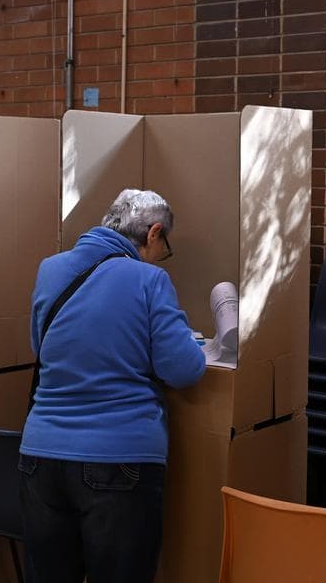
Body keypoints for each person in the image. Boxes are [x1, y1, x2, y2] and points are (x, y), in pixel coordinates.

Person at [19, 189, 207, 583]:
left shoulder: (49, 269)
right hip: (120, 457)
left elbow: (42, 348)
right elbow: (184, 370)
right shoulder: (150, 279)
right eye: (164, 246)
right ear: (153, 233)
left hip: (40, 454)